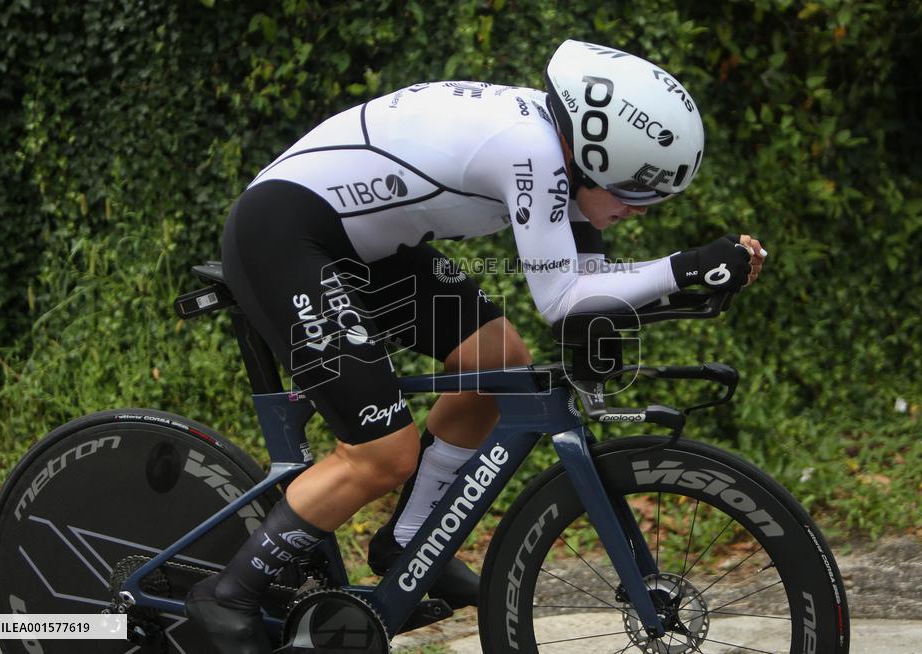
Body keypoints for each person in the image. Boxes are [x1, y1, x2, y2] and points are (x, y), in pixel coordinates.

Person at [185, 38, 765, 653]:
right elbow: (564, 298)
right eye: (633, 194)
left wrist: (644, 308)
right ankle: (226, 599)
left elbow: (589, 296)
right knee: (384, 452)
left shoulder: (562, 156)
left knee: (500, 367)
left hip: (365, 246)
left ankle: (409, 541)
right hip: (285, 232)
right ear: (592, 158)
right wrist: (689, 266)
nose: (638, 212)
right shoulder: (532, 153)